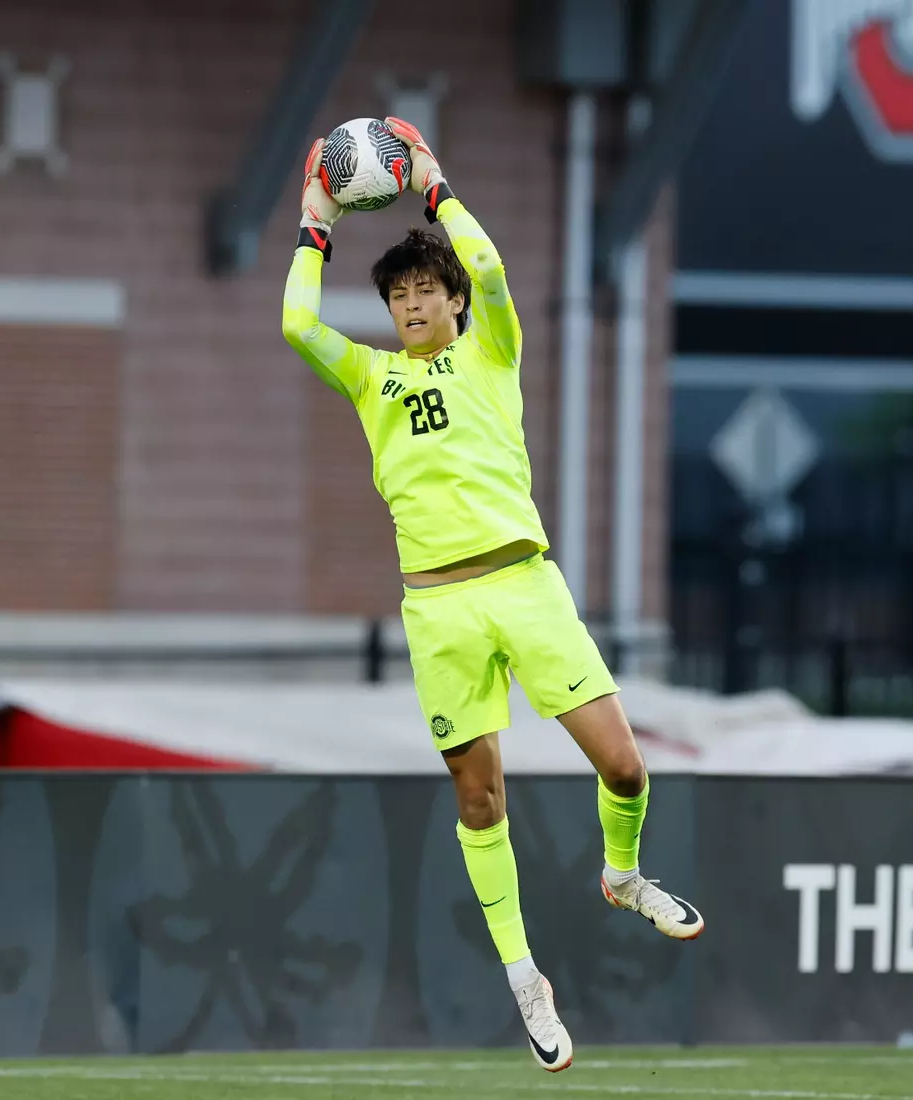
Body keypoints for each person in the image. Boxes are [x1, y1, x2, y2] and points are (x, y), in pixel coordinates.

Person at [281, 118, 704, 1072]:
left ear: (457, 304)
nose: (412, 304)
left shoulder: (492, 351)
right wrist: (315, 222)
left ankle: (623, 874)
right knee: (480, 802)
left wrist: (434, 183)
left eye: (427, 289)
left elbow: (496, 271)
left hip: (524, 582)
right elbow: (297, 325)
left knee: (626, 768)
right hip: (438, 609)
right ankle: (525, 978)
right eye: (398, 294)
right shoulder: (372, 379)